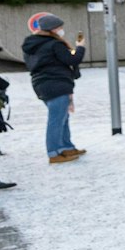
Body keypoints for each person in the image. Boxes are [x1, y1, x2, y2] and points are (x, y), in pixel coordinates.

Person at [22, 13, 85, 164]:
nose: (61, 30)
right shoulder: (54, 44)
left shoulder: (31, 44)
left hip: (41, 84)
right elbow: (72, 59)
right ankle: (54, 152)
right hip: (57, 83)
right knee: (56, 119)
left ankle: (66, 147)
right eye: (59, 27)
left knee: (62, 116)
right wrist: (80, 47)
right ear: (52, 29)